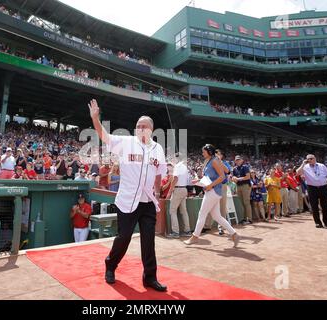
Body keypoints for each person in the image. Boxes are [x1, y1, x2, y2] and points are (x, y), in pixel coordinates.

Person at [89, 99, 168, 292]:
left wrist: (157, 194)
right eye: (138, 126)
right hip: (127, 200)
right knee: (123, 238)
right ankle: (111, 265)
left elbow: (159, 173)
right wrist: (95, 118)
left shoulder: (157, 148)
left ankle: (150, 277)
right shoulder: (126, 142)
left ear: (151, 129)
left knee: (149, 241)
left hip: (147, 201)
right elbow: (104, 136)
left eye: (144, 126)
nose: (140, 128)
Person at [184, 144, 240, 247]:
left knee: (202, 214)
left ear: (209, 152)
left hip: (213, 191)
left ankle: (195, 236)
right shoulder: (210, 161)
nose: (202, 153)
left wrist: (210, 185)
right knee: (217, 216)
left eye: (204, 151)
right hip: (213, 191)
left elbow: (222, 176)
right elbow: (211, 176)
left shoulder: (214, 160)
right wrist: (199, 181)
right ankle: (234, 234)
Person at [296, 154, 327, 228]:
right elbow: (297, 172)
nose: (310, 160)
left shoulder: (322, 166)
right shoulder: (305, 167)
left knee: (325, 206)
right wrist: (303, 163)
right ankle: (318, 223)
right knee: (314, 206)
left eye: (311, 158)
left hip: (323, 187)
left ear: (315, 158)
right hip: (312, 188)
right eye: (308, 159)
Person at [204, 149, 232, 235]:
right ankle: (207, 226)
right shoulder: (210, 162)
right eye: (215, 153)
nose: (216, 155)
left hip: (222, 186)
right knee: (209, 206)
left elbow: (228, 171)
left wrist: (219, 161)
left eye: (218, 154)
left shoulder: (224, 163)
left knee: (222, 207)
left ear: (222, 155)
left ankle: (221, 227)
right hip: (212, 186)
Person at [166, 153, 191, 238]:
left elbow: (175, 178)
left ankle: (175, 232)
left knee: (172, 211)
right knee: (184, 211)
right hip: (184, 189)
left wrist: (170, 191)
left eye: (173, 158)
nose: (172, 160)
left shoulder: (178, 166)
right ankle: (187, 231)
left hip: (178, 189)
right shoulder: (184, 167)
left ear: (177, 159)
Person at [232, 155, 252, 224]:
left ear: (241, 160)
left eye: (238, 160)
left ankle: (249, 219)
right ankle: (244, 218)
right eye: (236, 160)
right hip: (238, 186)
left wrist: (238, 179)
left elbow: (248, 177)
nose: (237, 161)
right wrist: (234, 179)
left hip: (245, 185)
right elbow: (233, 178)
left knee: (246, 202)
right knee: (243, 203)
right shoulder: (234, 169)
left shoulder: (245, 167)